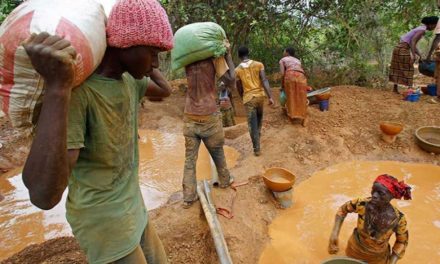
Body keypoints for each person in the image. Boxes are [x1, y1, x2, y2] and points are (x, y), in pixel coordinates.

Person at [21, 0, 173, 263]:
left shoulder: (129, 82)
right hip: (102, 219)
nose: (156, 62)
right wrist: (58, 87)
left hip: (132, 206)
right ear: (126, 44)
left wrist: (147, 52)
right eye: (153, 52)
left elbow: (165, 90)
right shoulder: (79, 94)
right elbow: (44, 196)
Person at [182, 42, 236, 208]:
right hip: (209, 115)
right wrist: (227, 55)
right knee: (217, 152)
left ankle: (188, 197)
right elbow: (231, 80)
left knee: (190, 159)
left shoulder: (188, 59)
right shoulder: (214, 59)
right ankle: (225, 181)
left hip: (189, 115)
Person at [328, 174, 411, 264]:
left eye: (380, 193)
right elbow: (342, 210)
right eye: (373, 190)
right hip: (354, 250)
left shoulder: (398, 219)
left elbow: (402, 242)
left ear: (391, 196)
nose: (374, 195)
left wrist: (392, 262)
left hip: (378, 259)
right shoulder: (362, 204)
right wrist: (334, 234)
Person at [235, 46, 274, 156]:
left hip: (249, 99)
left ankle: (256, 149)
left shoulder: (237, 70)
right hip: (260, 96)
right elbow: (264, 80)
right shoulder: (259, 64)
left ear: (239, 56)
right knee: (259, 118)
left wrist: (243, 97)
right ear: (249, 52)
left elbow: (239, 87)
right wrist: (270, 96)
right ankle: (258, 137)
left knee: (252, 124)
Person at [390, 16, 438, 93]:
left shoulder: (420, 28)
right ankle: (410, 89)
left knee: (397, 68)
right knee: (409, 68)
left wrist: (419, 54)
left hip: (398, 48)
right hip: (403, 49)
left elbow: (412, 43)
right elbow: (413, 41)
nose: (434, 27)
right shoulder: (422, 30)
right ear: (431, 24)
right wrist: (413, 55)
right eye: (435, 25)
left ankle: (395, 89)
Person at [279, 47, 308, 126]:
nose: (283, 52)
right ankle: (304, 117)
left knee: (291, 97)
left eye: (284, 51)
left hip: (290, 76)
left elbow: (282, 74)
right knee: (301, 97)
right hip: (301, 76)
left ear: (287, 52)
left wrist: (282, 85)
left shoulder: (282, 60)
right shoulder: (298, 60)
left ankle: (292, 116)